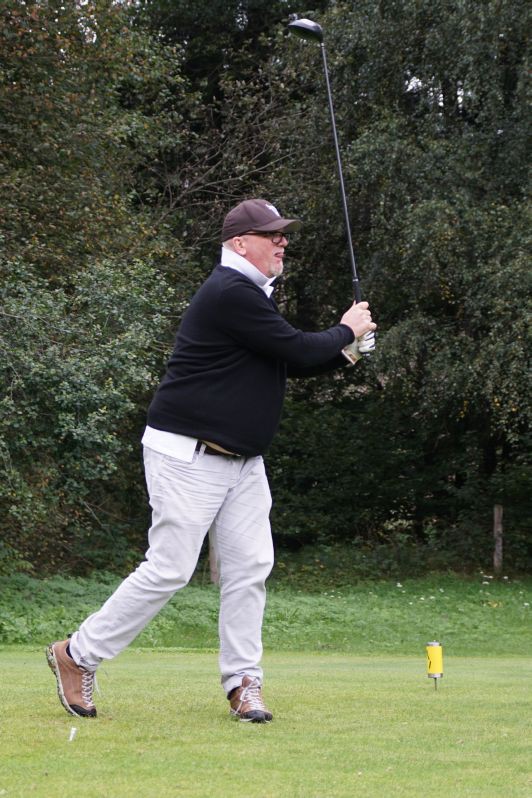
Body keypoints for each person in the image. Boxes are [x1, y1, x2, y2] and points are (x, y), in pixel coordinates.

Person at [46, 198, 376, 724]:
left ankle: (244, 683)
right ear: (239, 243)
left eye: (283, 234)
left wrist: (348, 349)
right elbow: (296, 348)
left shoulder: (252, 297)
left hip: (243, 462)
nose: (282, 242)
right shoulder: (229, 292)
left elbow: (288, 363)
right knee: (170, 569)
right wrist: (346, 329)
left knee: (250, 570)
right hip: (187, 454)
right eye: (271, 234)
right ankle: (77, 654)